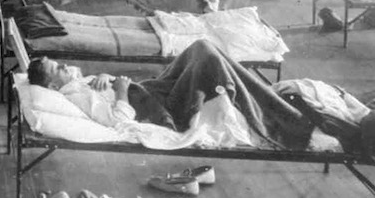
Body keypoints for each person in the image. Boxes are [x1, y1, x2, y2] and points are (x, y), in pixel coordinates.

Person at [26, 40, 351, 151]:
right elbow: (116, 122)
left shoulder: (75, 85)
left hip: (152, 90)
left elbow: (99, 91)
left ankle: (256, 99)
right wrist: (121, 91)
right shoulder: (75, 97)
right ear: (54, 87)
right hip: (161, 109)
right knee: (208, 58)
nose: (66, 66)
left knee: (200, 46)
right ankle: (292, 125)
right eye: (59, 68)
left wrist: (104, 77)